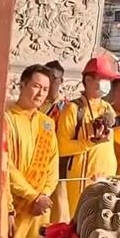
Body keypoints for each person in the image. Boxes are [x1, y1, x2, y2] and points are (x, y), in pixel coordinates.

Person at [57, 55, 120, 216]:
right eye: (102, 78)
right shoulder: (73, 109)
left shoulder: (107, 108)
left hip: (107, 176)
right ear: (88, 80)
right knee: (81, 222)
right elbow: (61, 147)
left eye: (108, 80)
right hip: (82, 179)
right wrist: (89, 143)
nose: (106, 84)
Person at [5, 64, 60, 238]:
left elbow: (53, 167)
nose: (40, 93)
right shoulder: (6, 118)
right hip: (11, 205)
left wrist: (43, 196)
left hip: (38, 210)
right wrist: (32, 196)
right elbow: (6, 165)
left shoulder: (47, 124)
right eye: (36, 86)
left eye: (45, 89)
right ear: (22, 84)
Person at [40, 61, 72, 225]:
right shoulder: (35, 105)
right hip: (35, 167)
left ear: (62, 81)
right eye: (48, 78)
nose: (51, 83)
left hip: (57, 169)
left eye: (55, 78)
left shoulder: (66, 108)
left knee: (57, 218)